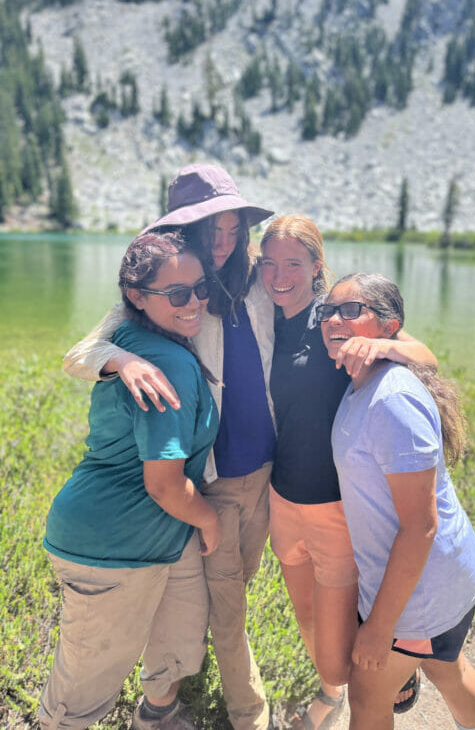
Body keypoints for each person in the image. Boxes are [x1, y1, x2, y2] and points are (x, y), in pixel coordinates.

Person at [62, 164, 276, 730]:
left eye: (234, 230)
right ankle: (246, 712)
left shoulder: (250, 279)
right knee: (223, 597)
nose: (226, 244)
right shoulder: (170, 284)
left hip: (266, 468)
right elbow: (80, 353)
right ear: (186, 232)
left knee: (225, 587)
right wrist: (123, 359)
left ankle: (176, 685)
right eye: (214, 232)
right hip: (208, 473)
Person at [258, 216, 438, 729]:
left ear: (317, 266)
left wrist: (384, 347)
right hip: (282, 499)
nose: (278, 275)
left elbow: (425, 358)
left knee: (338, 645)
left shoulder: (338, 316)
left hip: (336, 508)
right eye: (268, 263)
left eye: (293, 263)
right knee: (308, 620)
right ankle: (330, 693)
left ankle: (396, 672)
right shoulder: (264, 315)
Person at [38, 231, 221, 730]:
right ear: (137, 297)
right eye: (178, 294)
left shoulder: (142, 338)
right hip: (111, 546)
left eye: (201, 289)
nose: (194, 303)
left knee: (179, 634)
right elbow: (164, 484)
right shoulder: (166, 362)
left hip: (156, 536)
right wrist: (210, 520)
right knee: (84, 686)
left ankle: (157, 716)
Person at [320, 272, 475, 730]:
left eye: (351, 310)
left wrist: (379, 629)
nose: (334, 319)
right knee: (444, 668)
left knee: (367, 692)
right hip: (439, 578)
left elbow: (420, 526)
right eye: (328, 311)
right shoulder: (363, 380)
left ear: (389, 326)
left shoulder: (391, 398)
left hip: (421, 591)